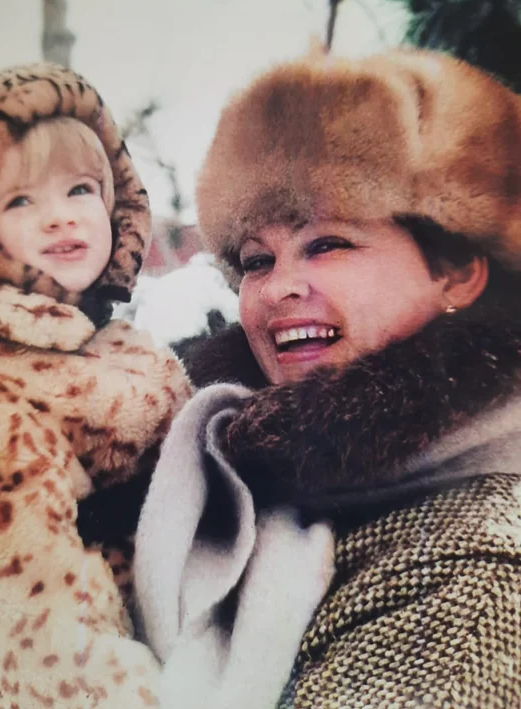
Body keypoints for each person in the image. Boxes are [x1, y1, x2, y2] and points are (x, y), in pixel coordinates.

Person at [134, 48, 521, 709]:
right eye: (257, 260)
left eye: (327, 243)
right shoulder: (216, 470)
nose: (281, 286)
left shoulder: (474, 571)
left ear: (456, 270)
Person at [0, 63, 191, 708]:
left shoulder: (107, 343)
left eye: (81, 189)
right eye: (21, 200)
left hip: (158, 644)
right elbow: (35, 630)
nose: (60, 218)